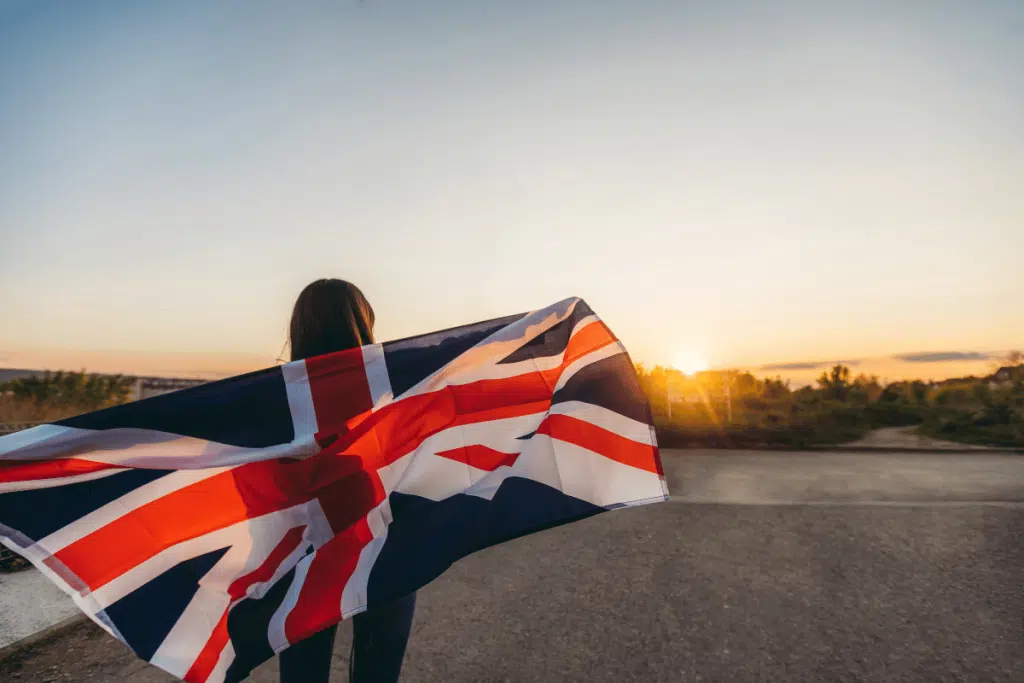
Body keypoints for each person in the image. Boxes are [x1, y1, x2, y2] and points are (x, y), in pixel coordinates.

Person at [279, 278, 417, 683]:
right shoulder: (392, 391)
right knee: (378, 673)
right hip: (384, 549)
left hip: (304, 557)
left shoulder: (276, 399)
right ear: (363, 322)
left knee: (302, 675)